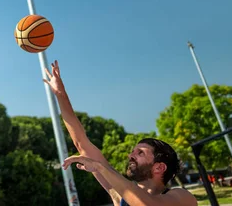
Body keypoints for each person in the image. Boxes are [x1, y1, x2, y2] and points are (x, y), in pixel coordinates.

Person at [43, 60, 197, 206]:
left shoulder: (182, 198)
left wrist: (101, 168)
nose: (130, 155)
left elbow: (145, 204)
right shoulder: (120, 196)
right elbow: (81, 143)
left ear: (159, 168)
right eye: (133, 152)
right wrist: (60, 95)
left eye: (140, 153)